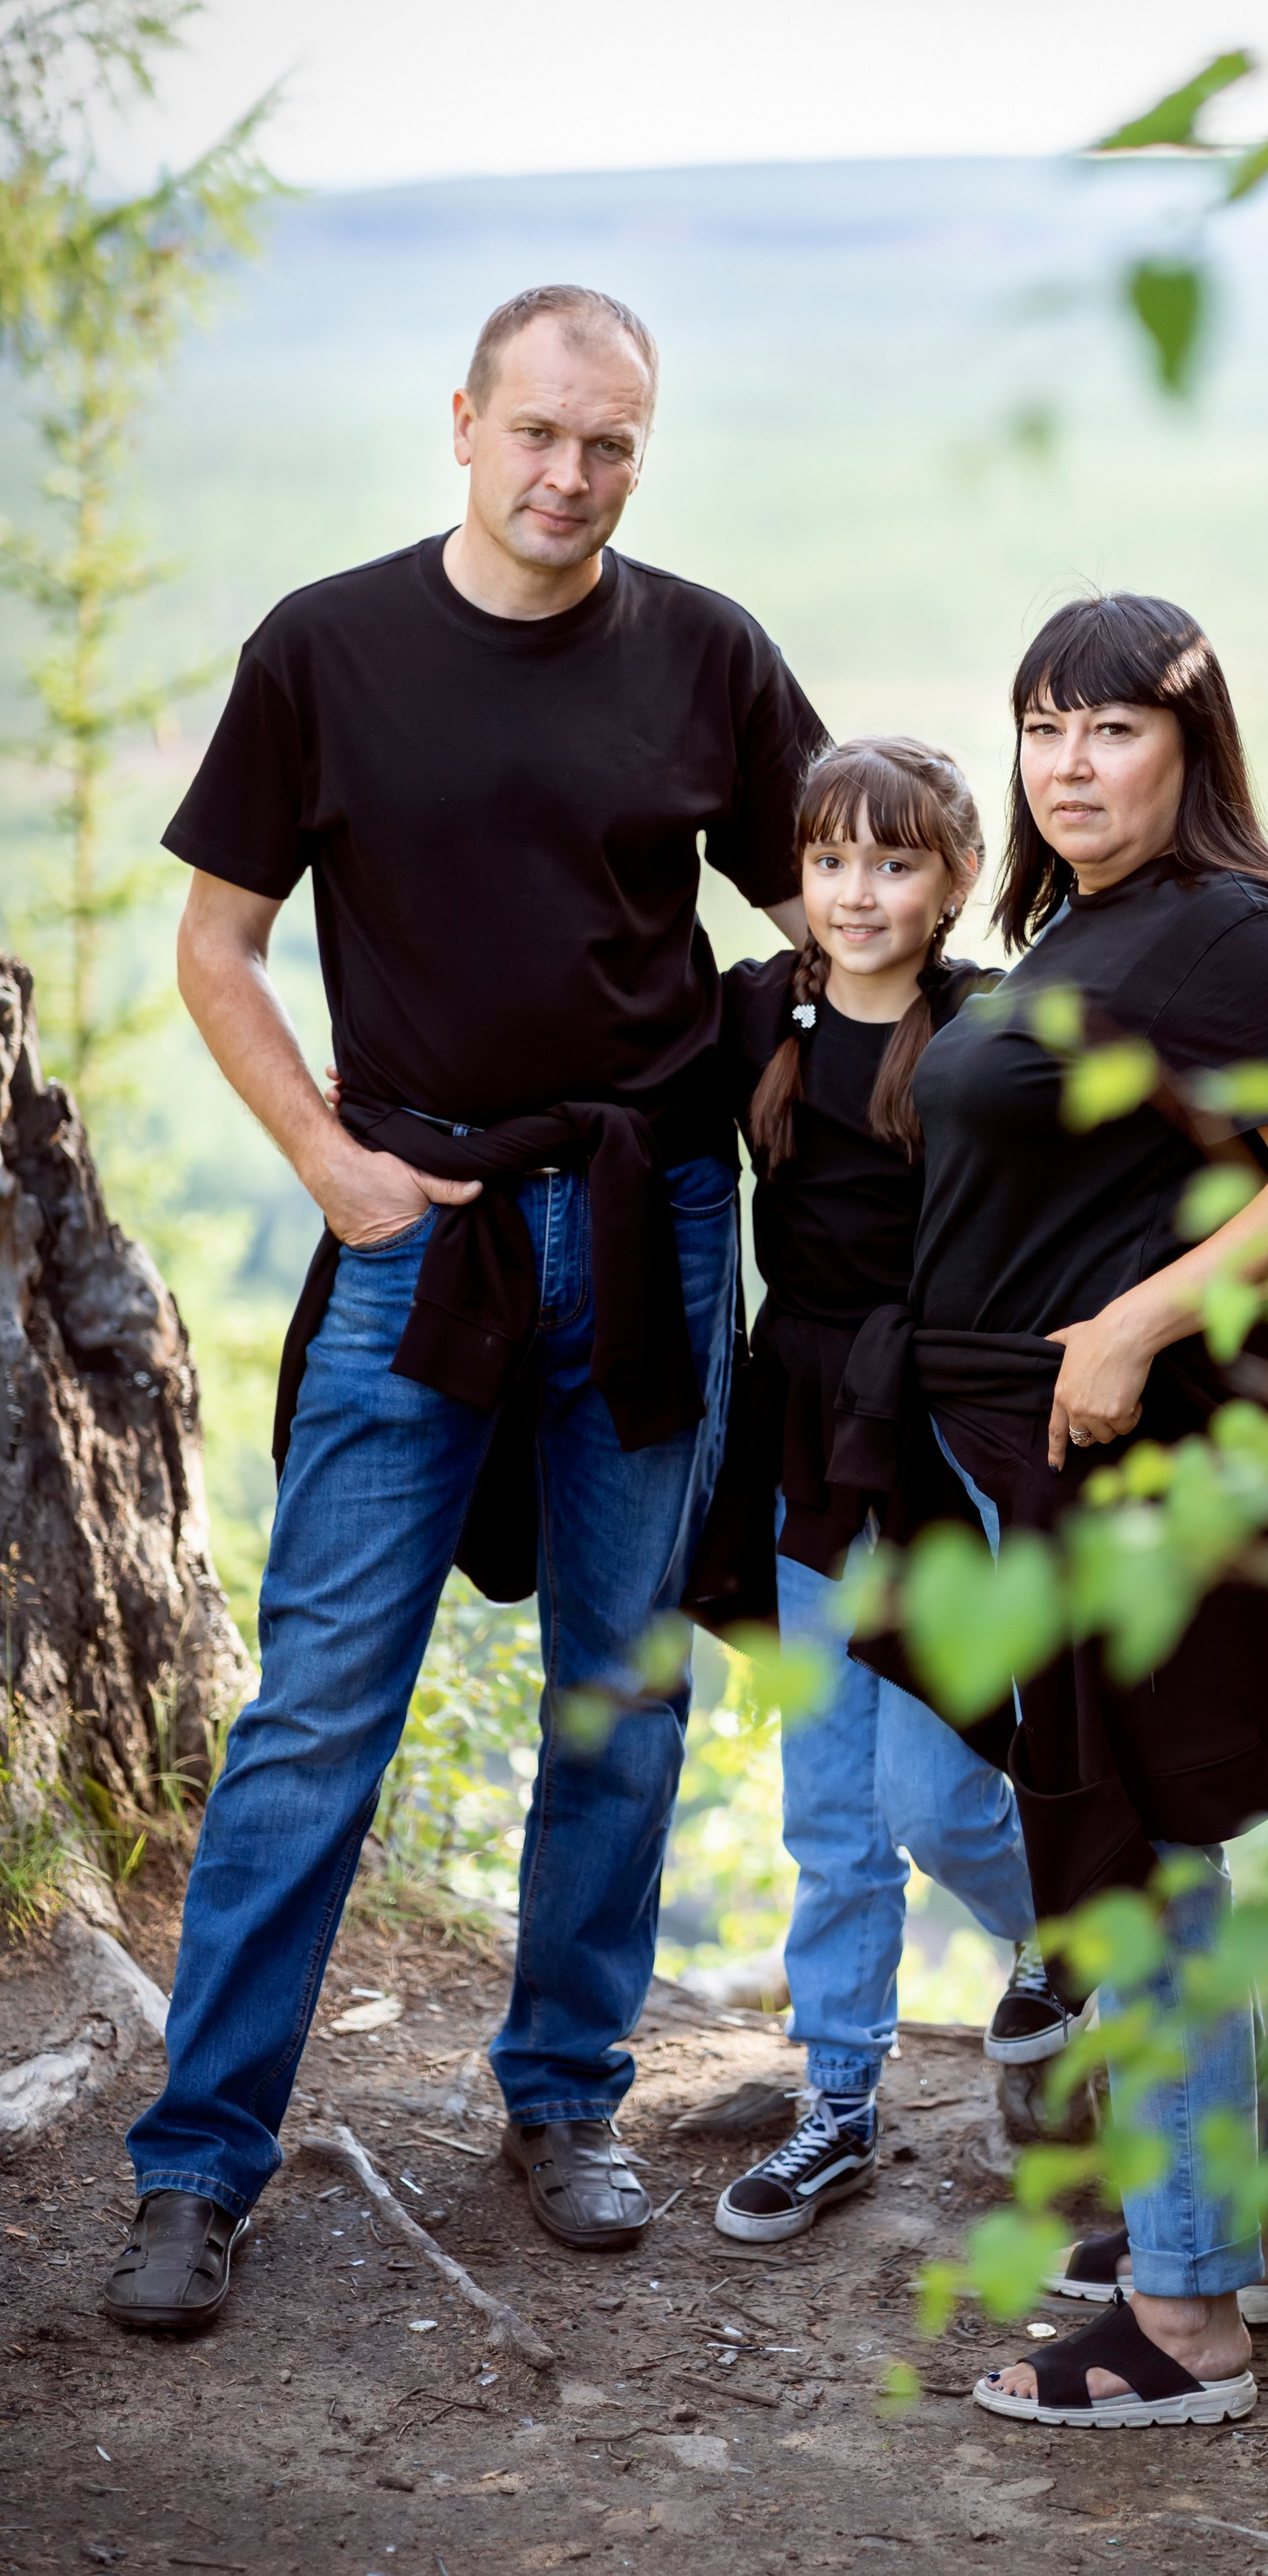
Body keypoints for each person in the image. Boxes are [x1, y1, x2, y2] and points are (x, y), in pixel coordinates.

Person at [102, 284, 825, 2335]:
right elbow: (221, 946)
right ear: (462, 423)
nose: (571, 476)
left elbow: (831, 905)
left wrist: (780, 1091)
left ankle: (567, 2096)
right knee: (321, 1705)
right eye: (538, 434)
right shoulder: (326, 649)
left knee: (623, 1688)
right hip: (417, 1226)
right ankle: (197, 2163)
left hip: (650, 1218)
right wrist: (331, 1165)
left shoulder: (706, 650)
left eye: (610, 445)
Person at [896, 592, 1268, 2426]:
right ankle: (1216, 2235)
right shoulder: (1080, 927)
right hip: (1010, 1458)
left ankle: (1179, 2323)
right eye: (1040, 728)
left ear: (1189, 746)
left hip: (1119, 1463)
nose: (1068, 763)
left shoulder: (1230, 932)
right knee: (1043, 1833)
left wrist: (1131, 1322)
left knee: (1146, 1875)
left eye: (1109, 728)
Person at [710, 738, 1078, 2246]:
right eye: (830, 861)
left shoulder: (992, 1029)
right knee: (829, 1810)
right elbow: (596, 1067)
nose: (856, 893)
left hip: (942, 1447)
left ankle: (1064, 1941)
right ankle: (839, 2105)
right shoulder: (752, 1014)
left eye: (893, 863)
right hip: (808, 1438)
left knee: (934, 1796)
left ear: (954, 883)